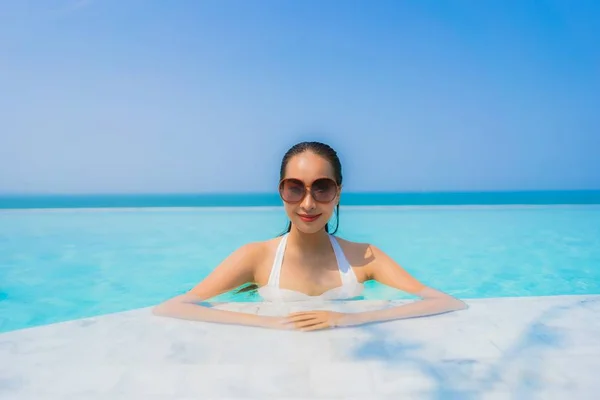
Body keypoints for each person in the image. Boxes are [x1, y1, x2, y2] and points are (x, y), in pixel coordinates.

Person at [153, 141, 467, 331]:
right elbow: (173, 306)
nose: (307, 203)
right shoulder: (256, 257)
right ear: (281, 192)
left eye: (322, 188)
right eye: (295, 188)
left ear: (338, 194)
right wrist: (271, 324)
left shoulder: (364, 257)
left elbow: (444, 301)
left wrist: (352, 319)